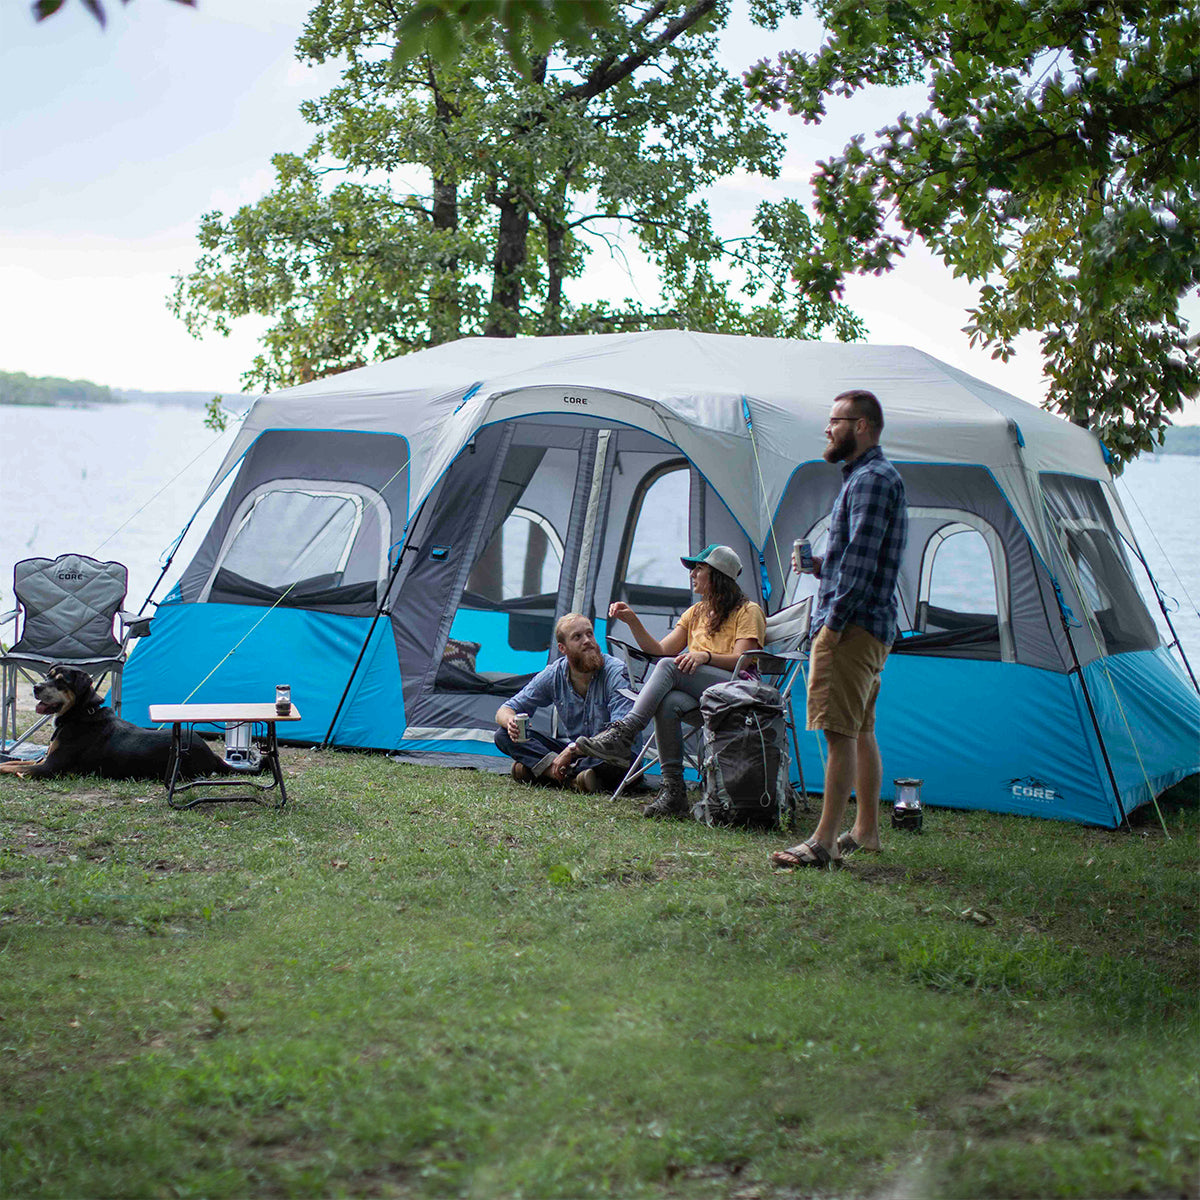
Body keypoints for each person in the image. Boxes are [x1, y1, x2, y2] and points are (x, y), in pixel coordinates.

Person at [770, 388, 908, 869]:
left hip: (851, 627)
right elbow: (856, 555)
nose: (828, 429)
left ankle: (824, 841)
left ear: (862, 426)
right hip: (873, 623)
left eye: (836, 420)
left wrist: (832, 622)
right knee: (860, 728)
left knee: (836, 732)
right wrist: (819, 565)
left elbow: (862, 563)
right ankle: (865, 830)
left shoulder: (870, 479)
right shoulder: (872, 478)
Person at [573, 544, 765, 818]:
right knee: (669, 702)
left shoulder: (748, 611)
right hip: (705, 695)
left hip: (737, 692)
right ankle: (674, 791)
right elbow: (661, 650)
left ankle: (624, 733)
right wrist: (632, 621)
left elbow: (743, 660)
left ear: (719, 575)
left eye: (699, 569)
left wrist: (704, 656)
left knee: (669, 667)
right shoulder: (696, 612)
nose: (692, 575)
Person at [495, 612, 638, 794]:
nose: (587, 640)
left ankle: (543, 772)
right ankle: (568, 777)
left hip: (611, 753)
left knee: (613, 762)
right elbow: (505, 709)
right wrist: (510, 722)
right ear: (563, 648)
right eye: (577, 637)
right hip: (575, 753)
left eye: (589, 634)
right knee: (503, 735)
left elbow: (620, 734)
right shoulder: (555, 674)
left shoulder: (617, 673)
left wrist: (571, 751)